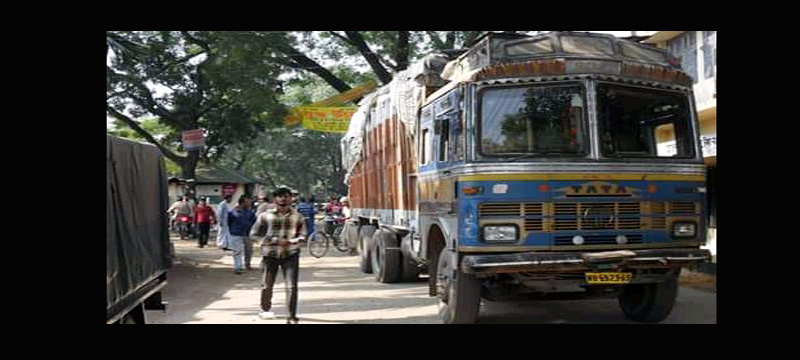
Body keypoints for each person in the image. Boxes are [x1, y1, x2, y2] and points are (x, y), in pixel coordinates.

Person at [250, 186, 307, 324]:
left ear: (291, 199)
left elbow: (303, 235)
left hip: (291, 254)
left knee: (291, 286)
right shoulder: (265, 216)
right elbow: (254, 235)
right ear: (275, 199)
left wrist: (293, 241)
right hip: (270, 254)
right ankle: (265, 309)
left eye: (286, 196)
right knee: (267, 285)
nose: (283, 199)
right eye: (280, 196)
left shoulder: (297, 216)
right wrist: (272, 241)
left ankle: (292, 315)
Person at [228, 196, 256, 274]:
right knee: (237, 251)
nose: (249, 203)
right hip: (236, 234)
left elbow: (254, 222)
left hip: (247, 234)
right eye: (248, 202)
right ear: (242, 202)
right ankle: (238, 267)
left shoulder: (250, 212)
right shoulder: (233, 212)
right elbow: (228, 222)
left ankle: (247, 264)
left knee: (249, 250)